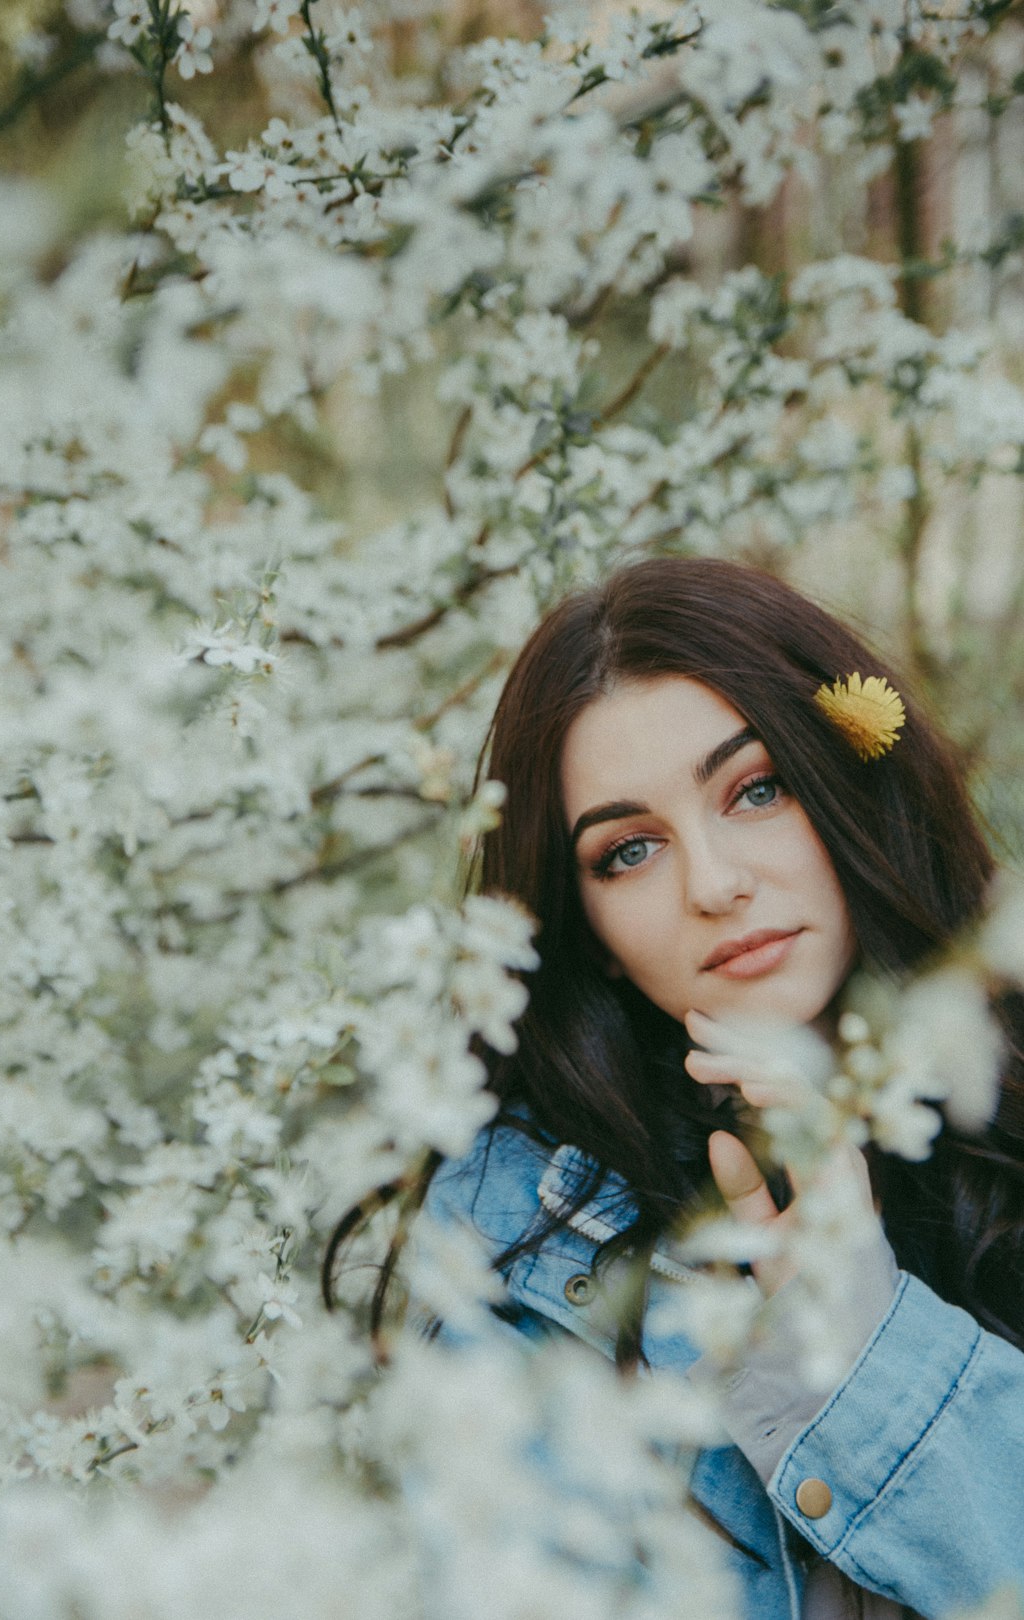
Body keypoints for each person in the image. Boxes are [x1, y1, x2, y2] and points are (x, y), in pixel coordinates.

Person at [326, 557, 1024, 1620]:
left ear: (844, 780)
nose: (715, 882)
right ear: (588, 932)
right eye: (630, 851)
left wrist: (866, 1340)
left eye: (756, 788)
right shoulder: (521, 1251)